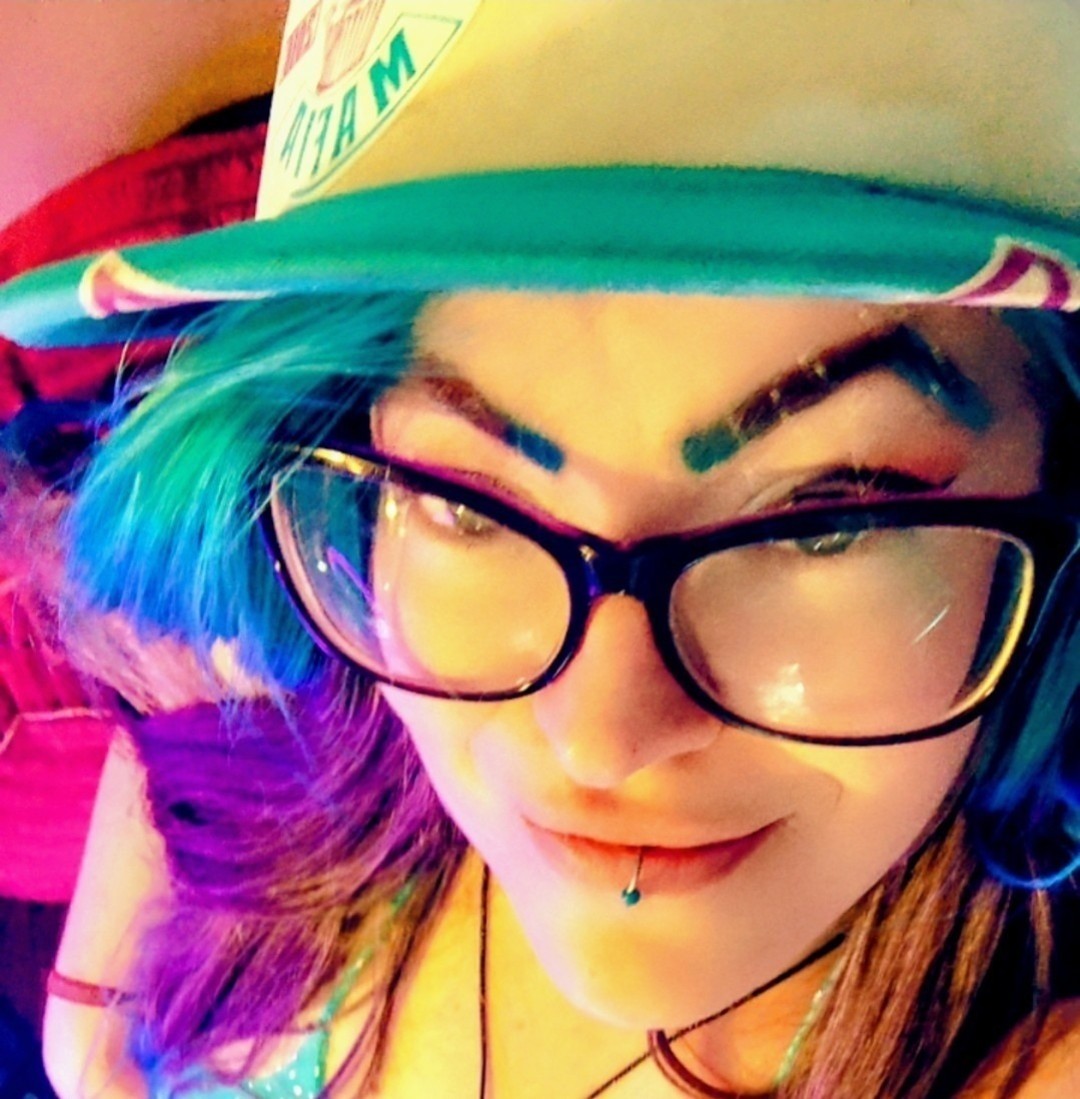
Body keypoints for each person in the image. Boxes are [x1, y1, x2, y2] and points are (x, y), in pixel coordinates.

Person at [0, 1, 1077, 1096]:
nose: (600, 741)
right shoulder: (281, 691)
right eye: (467, 504)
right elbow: (102, 1030)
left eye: (823, 520)